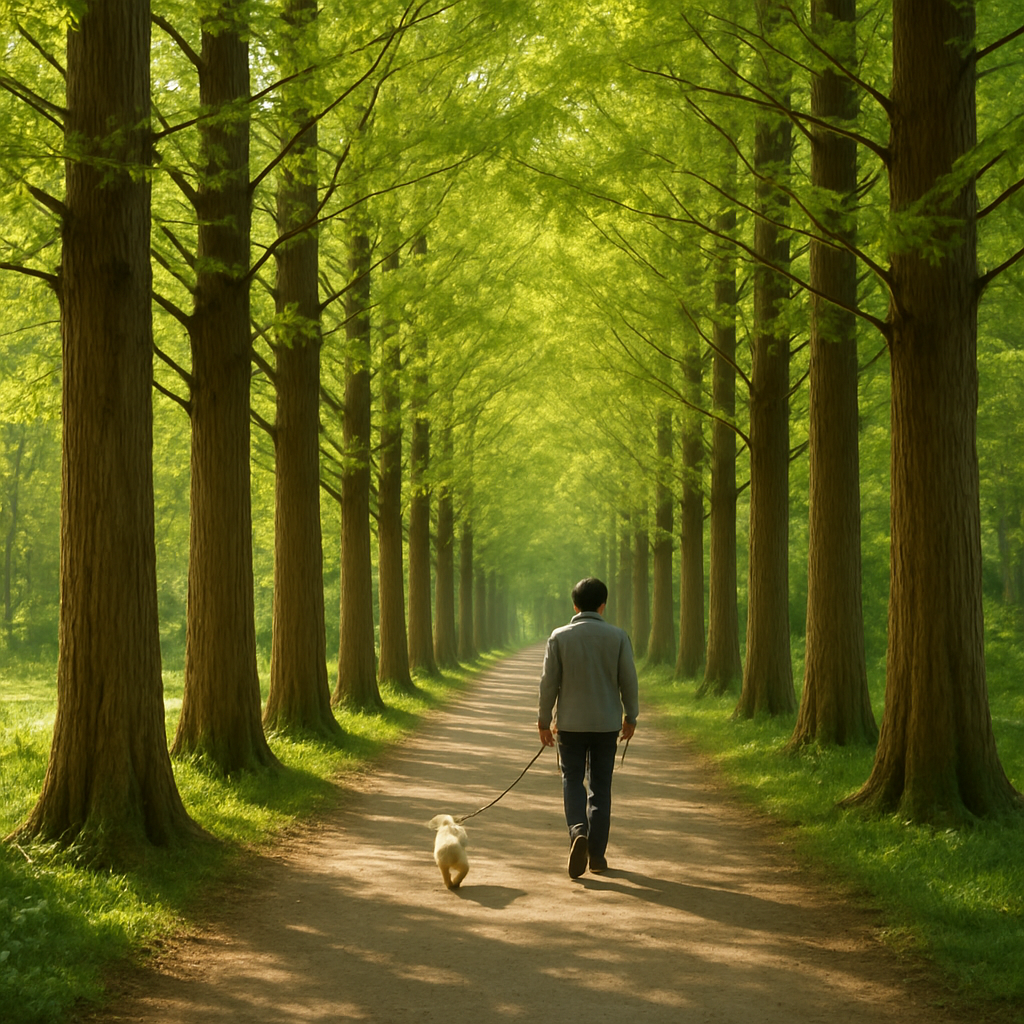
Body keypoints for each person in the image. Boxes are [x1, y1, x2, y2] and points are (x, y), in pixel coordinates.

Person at [538, 577, 639, 878]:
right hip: (607, 725)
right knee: (601, 787)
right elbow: (629, 681)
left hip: (569, 725)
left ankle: (577, 832)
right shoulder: (618, 637)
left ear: (575, 605)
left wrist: (544, 721)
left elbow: (548, 684)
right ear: (603, 605)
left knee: (572, 780)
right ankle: (596, 855)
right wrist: (631, 717)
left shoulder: (559, 637)